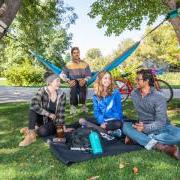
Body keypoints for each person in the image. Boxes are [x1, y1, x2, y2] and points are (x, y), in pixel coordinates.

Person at [123, 69, 180, 159]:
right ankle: (161, 147)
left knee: (178, 137)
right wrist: (143, 126)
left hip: (162, 127)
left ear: (147, 81)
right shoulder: (134, 94)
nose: (136, 81)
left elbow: (161, 122)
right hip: (143, 125)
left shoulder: (159, 97)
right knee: (125, 126)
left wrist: (144, 129)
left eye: (138, 79)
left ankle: (137, 138)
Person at [19, 72, 73, 147]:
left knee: (42, 132)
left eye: (59, 81)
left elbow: (61, 113)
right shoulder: (42, 91)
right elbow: (33, 104)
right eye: (57, 81)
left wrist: (63, 128)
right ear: (50, 82)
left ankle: (31, 130)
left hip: (52, 122)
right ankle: (31, 135)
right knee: (32, 109)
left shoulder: (62, 94)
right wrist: (48, 114)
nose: (59, 83)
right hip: (42, 118)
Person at [60, 47, 91, 114]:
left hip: (82, 81)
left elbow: (89, 75)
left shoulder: (85, 64)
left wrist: (85, 80)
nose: (76, 54)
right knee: (73, 87)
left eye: (77, 52)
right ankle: (73, 107)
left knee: (83, 86)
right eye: (74, 53)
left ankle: (83, 106)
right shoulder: (68, 64)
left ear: (79, 53)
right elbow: (62, 75)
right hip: (73, 81)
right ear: (72, 54)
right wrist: (68, 81)